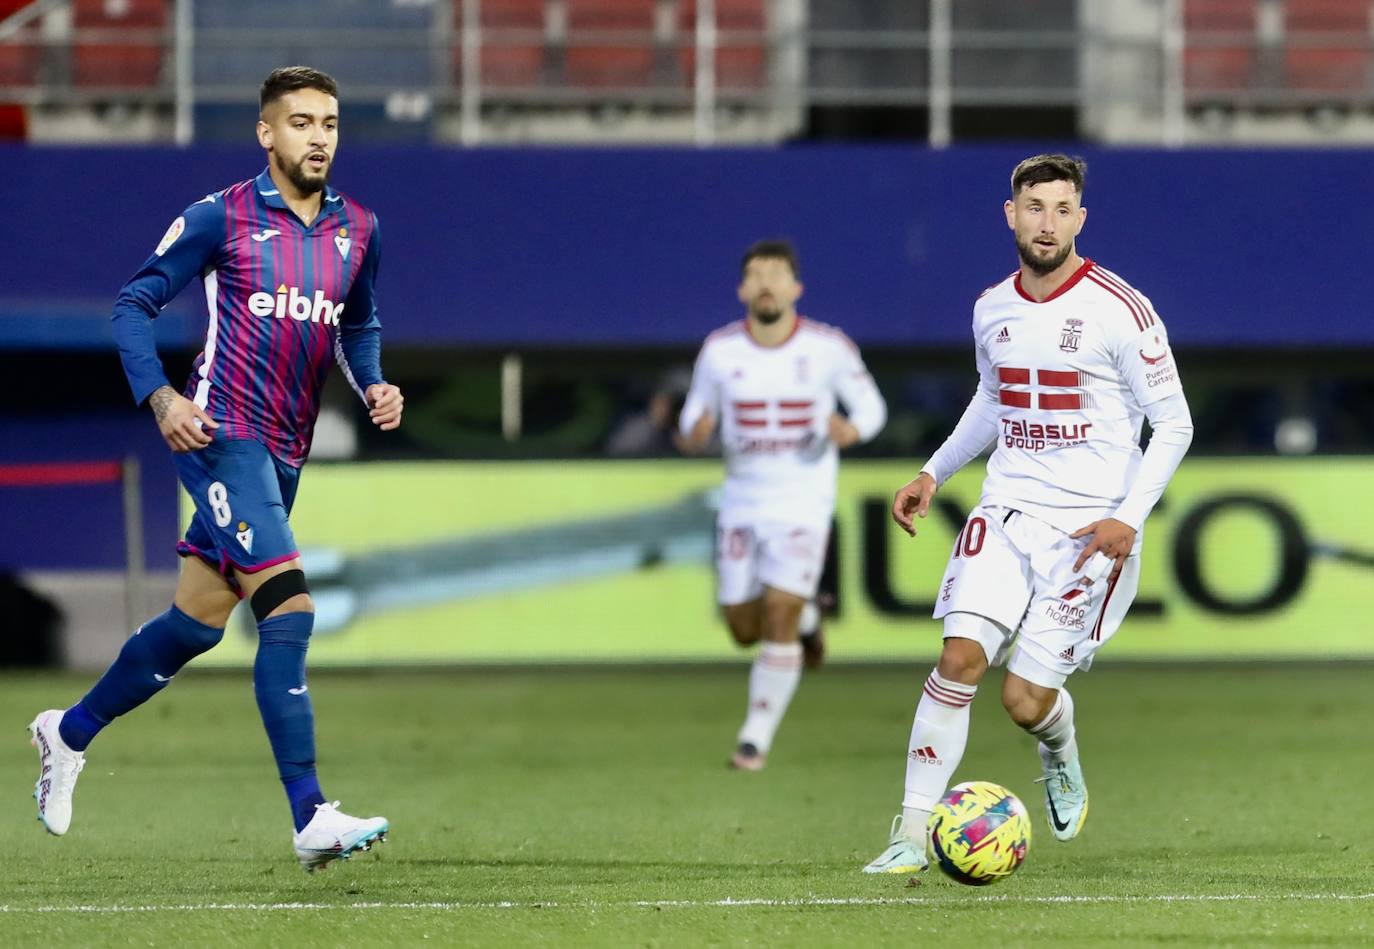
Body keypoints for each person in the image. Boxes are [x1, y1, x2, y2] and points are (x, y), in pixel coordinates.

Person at [27, 66, 404, 873]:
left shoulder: (358, 229)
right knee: (290, 608)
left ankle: (68, 732)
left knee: (194, 623)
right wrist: (161, 399)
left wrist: (372, 379)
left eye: (330, 123)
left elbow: (358, 320)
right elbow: (133, 302)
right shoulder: (219, 218)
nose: (319, 137)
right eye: (300, 123)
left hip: (284, 451)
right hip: (218, 436)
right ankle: (310, 815)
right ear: (266, 133)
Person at [863, 154, 1193, 874]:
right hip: (1007, 508)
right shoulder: (992, 306)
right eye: (1034, 207)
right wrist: (934, 471)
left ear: (1080, 218)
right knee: (959, 658)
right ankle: (911, 833)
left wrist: (1129, 517)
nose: (1047, 222)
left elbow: (1174, 423)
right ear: (1009, 214)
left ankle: (1059, 749)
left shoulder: (1121, 308)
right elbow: (994, 398)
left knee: (1023, 697)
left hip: (1090, 528)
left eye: (1061, 208)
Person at [679, 240, 886, 771]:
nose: (766, 283)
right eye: (756, 274)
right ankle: (813, 616)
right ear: (743, 289)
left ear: (796, 288)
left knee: (777, 614)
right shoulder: (720, 351)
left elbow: (872, 407)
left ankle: (754, 738)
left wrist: (852, 427)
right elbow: (693, 415)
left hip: (802, 502)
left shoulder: (827, 348)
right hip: (742, 503)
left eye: (777, 274)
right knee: (742, 628)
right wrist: (695, 430)